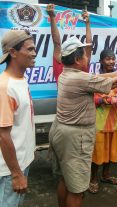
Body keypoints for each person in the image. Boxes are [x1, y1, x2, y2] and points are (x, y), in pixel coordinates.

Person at [49, 37, 117, 207]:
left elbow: (101, 76)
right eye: (85, 54)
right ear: (77, 59)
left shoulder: (67, 74)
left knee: (65, 179)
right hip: (75, 136)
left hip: (62, 131)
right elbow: (113, 82)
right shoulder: (80, 79)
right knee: (77, 189)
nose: (88, 57)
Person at [0, 30, 36, 207]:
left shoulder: (21, 80)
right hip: (9, 170)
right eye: (29, 49)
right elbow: (3, 135)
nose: (34, 53)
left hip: (22, 161)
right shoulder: (5, 87)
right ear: (13, 52)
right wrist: (16, 174)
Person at [89, 49, 117, 193]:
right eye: (108, 59)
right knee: (97, 152)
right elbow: (91, 99)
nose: (111, 62)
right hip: (99, 122)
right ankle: (93, 179)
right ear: (101, 61)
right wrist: (103, 100)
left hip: (114, 120)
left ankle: (106, 175)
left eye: (113, 59)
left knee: (111, 151)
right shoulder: (96, 78)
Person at [47, 3, 92, 82]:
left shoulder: (64, 64)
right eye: (84, 54)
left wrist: (52, 17)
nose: (86, 57)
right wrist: (87, 24)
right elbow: (57, 44)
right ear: (77, 60)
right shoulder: (83, 66)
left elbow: (89, 46)